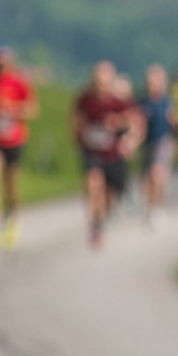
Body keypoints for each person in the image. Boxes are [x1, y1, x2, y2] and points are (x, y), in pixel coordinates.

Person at [73, 59, 141, 250]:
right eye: (97, 82)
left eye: (104, 83)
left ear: (111, 82)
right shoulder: (84, 99)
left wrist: (127, 138)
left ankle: (103, 216)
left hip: (112, 154)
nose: (100, 86)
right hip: (92, 151)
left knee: (109, 193)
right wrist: (80, 136)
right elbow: (76, 119)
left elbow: (135, 122)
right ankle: (95, 223)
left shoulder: (119, 101)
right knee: (93, 181)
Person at [0, 45, 36, 249]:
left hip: (14, 140)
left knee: (10, 186)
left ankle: (12, 220)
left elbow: (32, 108)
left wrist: (13, 109)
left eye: (4, 64)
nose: (0, 67)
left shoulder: (19, 81)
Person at [138, 61, 175, 218]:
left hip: (163, 141)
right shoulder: (142, 103)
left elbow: (173, 123)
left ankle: (158, 206)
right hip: (147, 143)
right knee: (147, 177)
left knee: (158, 173)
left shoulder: (166, 103)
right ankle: (150, 206)